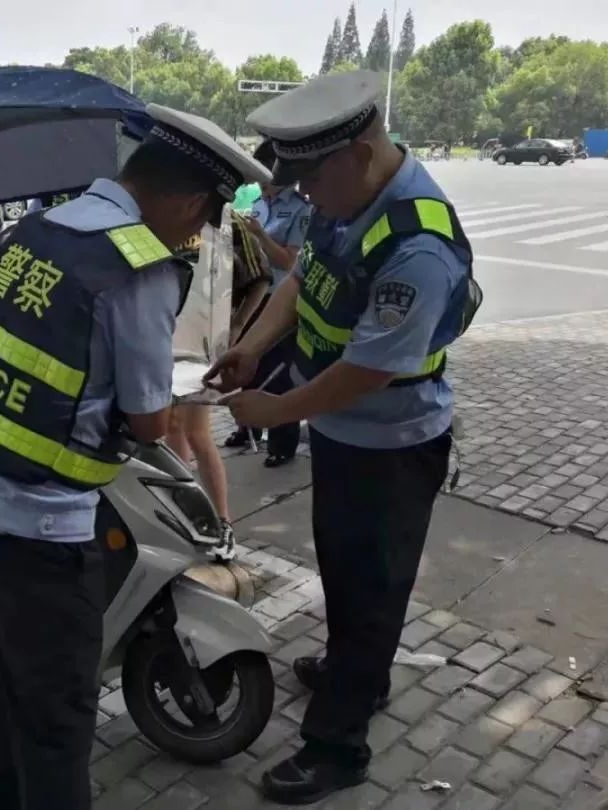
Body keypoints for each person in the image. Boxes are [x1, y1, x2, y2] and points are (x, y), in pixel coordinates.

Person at [0, 104, 271, 810]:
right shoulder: (138, 268)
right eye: (201, 221)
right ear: (185, 200)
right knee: (57, 720)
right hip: (41, 526)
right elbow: (151, 420)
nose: (194, 237)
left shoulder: (39, 227)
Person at [206, 70, 479, 805]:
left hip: (390, 448)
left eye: (309, 180)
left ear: (358, 155)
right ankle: (360, 671)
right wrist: (254, 343)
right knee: (347, 576)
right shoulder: (349, 199)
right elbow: (306, 279)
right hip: (345, 436)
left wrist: (279, 410)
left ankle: (336, 749)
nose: (301, 198)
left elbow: (368, 369)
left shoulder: (418, 244)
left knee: (370, 593)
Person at [165, 220, 269, 526]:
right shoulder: (161, 211)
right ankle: (183, 509)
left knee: (196, 432)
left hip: (203, 344)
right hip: (164, 338)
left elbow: (260, 277)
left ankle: (222, 520)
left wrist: (237, 325)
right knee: (171, 428)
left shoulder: (228, 222)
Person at [224, 143, 313, 466]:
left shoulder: (302, 211)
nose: (262, 183)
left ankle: (281, 442)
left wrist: (260, 236)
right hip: (253, 298)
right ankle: (247, 428)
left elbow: (291, 263)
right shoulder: (256, 204)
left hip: (281, 301)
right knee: (246, 367)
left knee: (278, 373)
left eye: (268, 176)